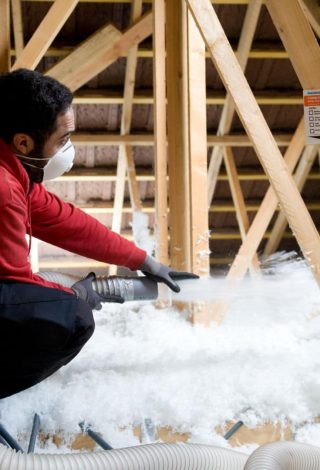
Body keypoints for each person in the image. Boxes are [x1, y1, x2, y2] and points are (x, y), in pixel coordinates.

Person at [0, 69, 197, 399]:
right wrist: (76, 297)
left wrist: (143, 260)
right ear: (24, 141)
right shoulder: (4, 188)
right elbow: (13, 283)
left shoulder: (12, 171)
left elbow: (69, 223)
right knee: (71, 318)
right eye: (62, 140)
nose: (67, 149)